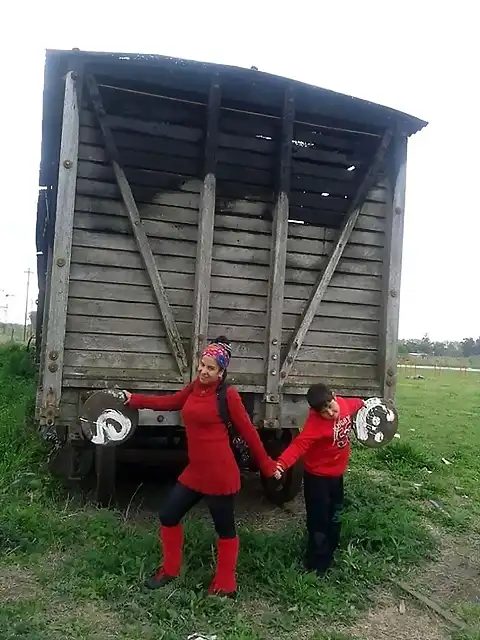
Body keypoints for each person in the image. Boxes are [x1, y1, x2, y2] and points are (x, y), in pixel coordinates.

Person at [123, 337, 276, 596]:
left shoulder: (228, 395)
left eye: (211, 368)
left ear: (221, 372)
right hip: (196, 472)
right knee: (169, 516)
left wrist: (268, 466)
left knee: (225, 528)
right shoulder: (195, 388)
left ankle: (226, 585)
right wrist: (134, 399)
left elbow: (249, 432)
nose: (204, 371)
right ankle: (170, 570)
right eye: (202, 366)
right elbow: (171, 402)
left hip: (220, 474)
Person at [274, 383, 364, 577]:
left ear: (334, 396)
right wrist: (281, 464)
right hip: (317, 478)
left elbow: (360, 404)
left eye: (331, 406)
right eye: (325, 412)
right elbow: (298, 446)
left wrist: (372, 406)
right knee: (318, 519)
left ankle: (331, 549)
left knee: (335, 514)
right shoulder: (314, 426)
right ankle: (316, 564)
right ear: (315, 412)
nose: (331, 413)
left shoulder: (345, 404)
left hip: (336, 475)